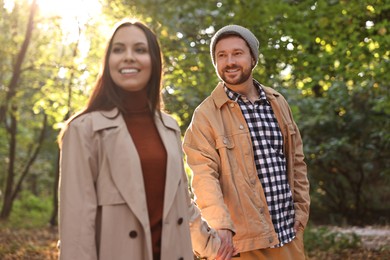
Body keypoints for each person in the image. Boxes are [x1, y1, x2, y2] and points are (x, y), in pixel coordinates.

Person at [57, 19, 221, 260]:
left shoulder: (169, 127)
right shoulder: (84, 130)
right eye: (119, 49)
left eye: (140, 50)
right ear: (108, 62)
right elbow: (76, 232)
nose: (128, 57)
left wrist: (216, 246)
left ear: (154, 62)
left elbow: (182, 207)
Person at [183, 24, 310, 260]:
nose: (229, 61)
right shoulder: (205, 115)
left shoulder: (278, 102)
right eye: (222, 55)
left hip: (288, 236)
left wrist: (301, 213)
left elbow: (297, 163)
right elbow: (203, 175)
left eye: (237, 53)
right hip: (242, 244)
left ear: (253, 58)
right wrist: (220, 226)